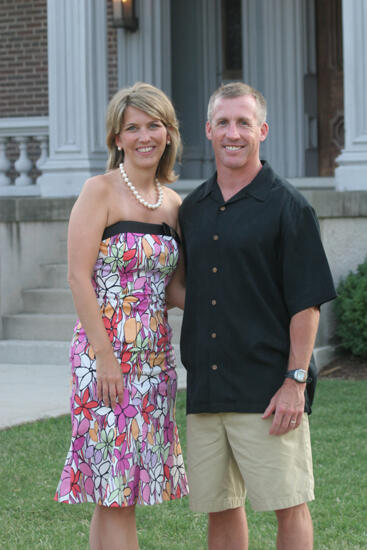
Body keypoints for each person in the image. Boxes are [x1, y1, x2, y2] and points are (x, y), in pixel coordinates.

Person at [175, 82, 337, 550]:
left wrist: (295, 381)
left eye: (243, 122)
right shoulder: (193, 209)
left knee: (289, 506)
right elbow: (195, 289)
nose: (233, 133)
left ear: (261, 130)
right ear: (208, 130)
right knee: (222, 509)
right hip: (207, 389)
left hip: (268, 390)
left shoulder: (290, 208)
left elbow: (306, 305)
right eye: (223, 122)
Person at [54, 82, 189, 550]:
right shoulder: (99, 191)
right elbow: (77, 276)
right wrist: (106, 357)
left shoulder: (173, 205)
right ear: (117, 138)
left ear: (169, 133)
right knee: (115, 492)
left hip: (156, 361)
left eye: (154, 125)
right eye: (132, 127)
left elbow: (173, 289)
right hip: (105, 359)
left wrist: (240, 305)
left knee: (118, 490)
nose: (143, 135)